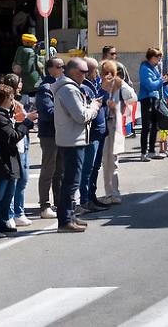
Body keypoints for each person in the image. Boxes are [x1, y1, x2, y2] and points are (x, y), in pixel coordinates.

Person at [52, 58, 101, 232]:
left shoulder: (70, 88)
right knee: (71, 182)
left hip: (73, 139)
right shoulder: (68, 90)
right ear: (73, 72)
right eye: (83, 71)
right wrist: (94, 107)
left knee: (73, 180)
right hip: (72, 141)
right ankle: (65, 220)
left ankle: (70, 216)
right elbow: (80, 116)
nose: (86, 75)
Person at [0, 83, 36, 239]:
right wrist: (26, 122)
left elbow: (12, 132)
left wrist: (20, 121)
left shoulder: (5, 114)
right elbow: (12, 137)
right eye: (12, 97)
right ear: (6, 98)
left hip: (9, 161)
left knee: (7, 195)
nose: (14, 101)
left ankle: (2, 222)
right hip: (1, 162)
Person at [99, 60, 136, 205]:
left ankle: (113, 193)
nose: (106, 75)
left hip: (113, 123)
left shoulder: (119, 83)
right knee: (108, 160)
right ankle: (111, 193)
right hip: (107, 124)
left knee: (111, 160)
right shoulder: (100, 83)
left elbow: (133, 97)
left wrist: (121, 106)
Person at [0, 73, 32, 227]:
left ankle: (19, 211)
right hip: (16, 143)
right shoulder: (9, 105)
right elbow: (15, 123)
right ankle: (12, 213)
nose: (21, 84)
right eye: (20, 82)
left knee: (23, 179)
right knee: (15, 180)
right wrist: (27, 119)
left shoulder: (17, 103)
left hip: (23, 141)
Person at [79, 58, 110, 213]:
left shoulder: (94, 83)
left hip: (100, 131)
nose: (98, 72)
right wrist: (104, 90)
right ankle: (85, 199)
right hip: (92, 133)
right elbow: (95, 103)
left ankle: (91, 196)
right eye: (95, 69)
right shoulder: (84, 87)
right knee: (88, 168)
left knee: (95, 167)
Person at [36, 56, 65, 219]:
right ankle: (44, 205)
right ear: (50, 69)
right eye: (59, 66)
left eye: (63, 66)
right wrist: (67, 112)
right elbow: (48, 113)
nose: (62, 69)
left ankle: (59, 201)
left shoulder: (58, 85)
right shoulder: (45, 88)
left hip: (60, 132)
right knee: (48, 169)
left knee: (60, 170)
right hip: (49, 134)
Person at [137, 48, 168, 161]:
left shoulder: (154, 67)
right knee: (146, 127)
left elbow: (158, 82)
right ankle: (143, 153)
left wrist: (167, 80)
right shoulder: (144, 68)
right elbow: (150, 85)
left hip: (155, 99)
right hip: (147, 99)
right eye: (158, 58)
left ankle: (152, 151)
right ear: (152, 57)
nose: (159, 60)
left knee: (154, 126)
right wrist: (162, 80)